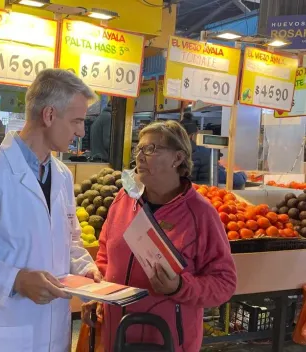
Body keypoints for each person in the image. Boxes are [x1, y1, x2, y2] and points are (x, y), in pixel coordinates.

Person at [0, 69, 101, 352]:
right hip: (1, 334)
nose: (81, 132)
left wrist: (85, 269)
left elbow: (70, 241)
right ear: (49, 115)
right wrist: (16, 280)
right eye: (76, 121)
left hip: (53, 332)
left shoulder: (62, 176)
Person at [81, 120, 237, 352]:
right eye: (139, 149)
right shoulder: (123, 201)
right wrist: (97, 294)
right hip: (118, 338)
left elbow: (224, 283)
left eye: (151, 149)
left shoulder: (201, 214)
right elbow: (105, 254)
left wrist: (180, 286)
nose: (140, 157)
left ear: (178, 158)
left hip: (168, 341)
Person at [181, 119, 247, 190]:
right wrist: (242, 175)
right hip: (201, 193)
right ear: (192, 135)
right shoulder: (203, 152)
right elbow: (228, 178)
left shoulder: (173, 151)